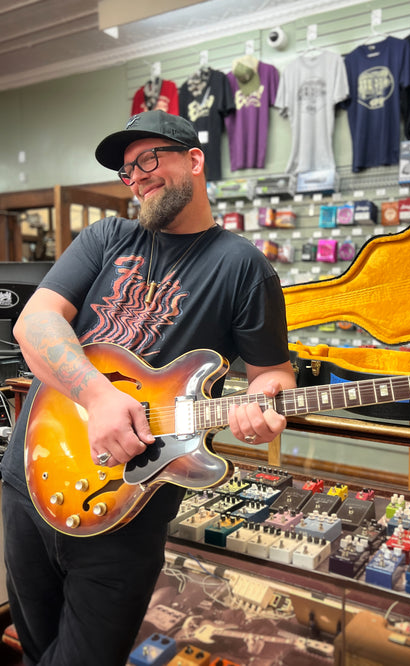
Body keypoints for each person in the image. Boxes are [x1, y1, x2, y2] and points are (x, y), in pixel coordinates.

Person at [1, 109, 296, 666]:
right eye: (127, 171)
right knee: (38, 647)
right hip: (32, 476)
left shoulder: (244, 268)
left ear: (195, 160)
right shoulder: (107, 237)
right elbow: (34, 323)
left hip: (131, 503)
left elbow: (272, 375)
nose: (136, 177)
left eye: (148, 159)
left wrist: (264, 408)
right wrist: (98, 396)